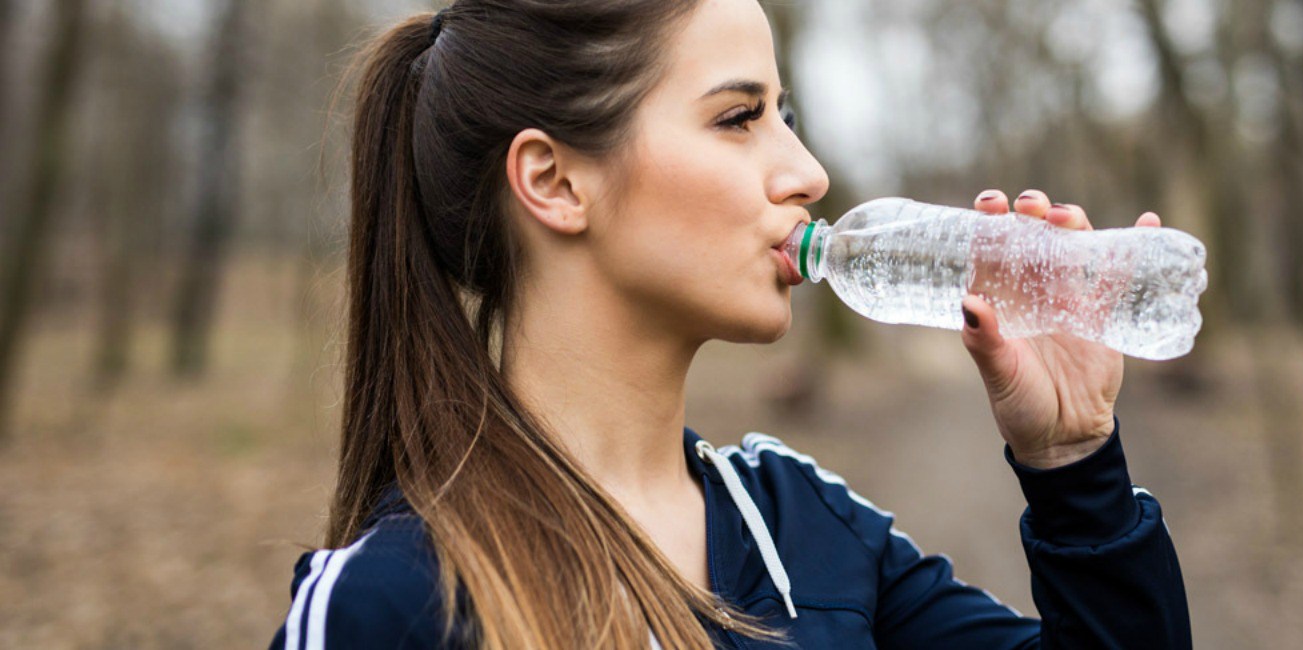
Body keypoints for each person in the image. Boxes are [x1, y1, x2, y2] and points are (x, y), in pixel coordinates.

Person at [268, 0, 1190, 648]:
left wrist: (1074, 466)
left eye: (782, 114)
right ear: (554, 181)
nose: (809, 172)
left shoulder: (808, 529)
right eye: (740, 117)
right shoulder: (389, 608)